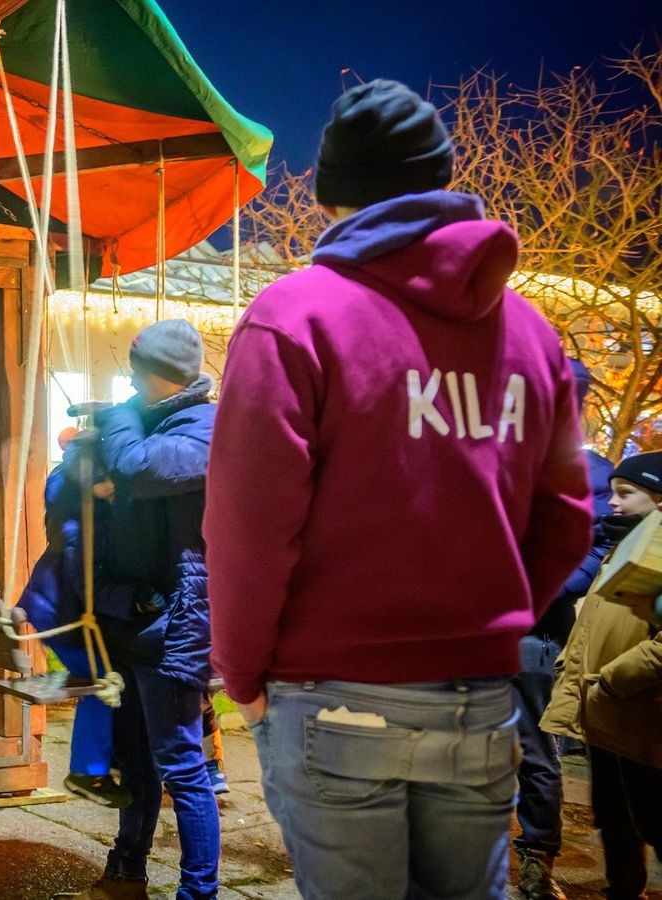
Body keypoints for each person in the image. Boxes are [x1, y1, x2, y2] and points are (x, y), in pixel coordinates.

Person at [205, 79, 592, 899]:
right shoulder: (531, 335)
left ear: (332, 196)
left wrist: (242, 675)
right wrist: (488, 621)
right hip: (478, 696)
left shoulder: (295, 316)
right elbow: (566, 519)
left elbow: (247, 527)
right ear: (444, 177)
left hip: (332, 694)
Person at [69, 318, 220, 900]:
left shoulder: (205, 430)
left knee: (183, 767)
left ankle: (197, 893)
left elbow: (138, 467)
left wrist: (118, 421)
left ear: (158, 375)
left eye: (135, 376)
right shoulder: (153, 420)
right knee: (139, 763)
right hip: (132, 613)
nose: (130, 385)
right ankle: (125, 876)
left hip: (174, 624)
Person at [511, 357, 613, 900]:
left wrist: (541, 588)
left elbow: (593, 548)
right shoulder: (498, 454)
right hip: (471, 629)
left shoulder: (592, 472)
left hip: (534, 630)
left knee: (533, 748)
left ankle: (536, 857)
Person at [541, 451, 662, 900]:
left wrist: (612, 678)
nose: (611, 504)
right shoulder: (624, 546)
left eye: (625, 494)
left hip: (641, 712)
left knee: (652, 817)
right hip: (606, 708)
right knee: (614, 818)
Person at [20, 427, 130, 807]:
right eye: (105, 480)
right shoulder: (82, 525)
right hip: (63, 614)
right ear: (90, 477)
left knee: (103, 674)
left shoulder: (67, 497)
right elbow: (85, 582)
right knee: (104, 680)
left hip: (47, 608)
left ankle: (103, 757)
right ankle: (89, 771)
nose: (114, 486)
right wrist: (126, 603)